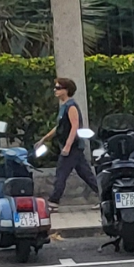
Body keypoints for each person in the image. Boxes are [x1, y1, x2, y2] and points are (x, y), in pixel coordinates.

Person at [38, 77, 96, 205]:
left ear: (67, 90)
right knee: (86, 175)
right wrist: (45, 138)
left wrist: (68, 146)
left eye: (58, 88)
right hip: (71, 147)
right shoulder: (64, 106)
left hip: (72, 147)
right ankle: (106, 196)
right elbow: (59, 126)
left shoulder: (71, 107)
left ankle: (54, 200)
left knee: (61, 173)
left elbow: (75, 127)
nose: (55, 90)